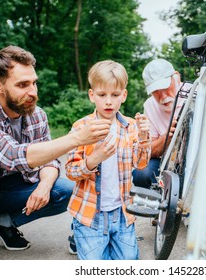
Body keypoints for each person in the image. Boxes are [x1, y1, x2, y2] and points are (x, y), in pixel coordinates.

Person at [0, 45, 111, 260]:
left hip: (13, 190)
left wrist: (45, 186)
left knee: (67, 190)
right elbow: (11, 155)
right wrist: (76, 138)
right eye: (22, 85)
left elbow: (51, 161)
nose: (33, 92)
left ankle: (4, 223)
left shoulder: (36, 115)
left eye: (34, 82)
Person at [65, 60, 151, 260]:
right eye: (102, 95)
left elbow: (141, 164)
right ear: (92, 95)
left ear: (124, 95)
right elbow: (70, 171)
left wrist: (145, 136)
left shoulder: (130, 126)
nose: (109, 102)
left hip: (122, 214)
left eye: (115, 95)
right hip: (89, 215)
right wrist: (93, 159)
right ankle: (77, 236)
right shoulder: (81, 127)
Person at [132, 59, 187, 189]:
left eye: (165, 87)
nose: (162, 96)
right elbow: (149, 152)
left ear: (177, 77)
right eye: (155, 91)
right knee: (141, 173)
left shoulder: (197, 94)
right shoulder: (150, 105)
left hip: (197, 158)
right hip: (167, 161)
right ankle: (152, 204)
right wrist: (166, 138)